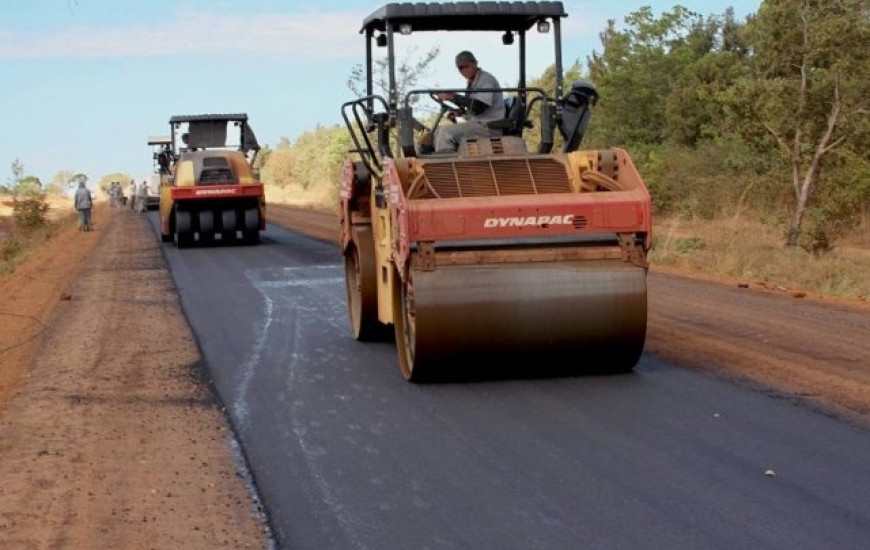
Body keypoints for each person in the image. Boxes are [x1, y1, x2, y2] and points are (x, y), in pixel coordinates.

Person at [432, 50, 504, 153]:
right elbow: (472, 108)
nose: (463, 71)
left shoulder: (486, 79)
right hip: (478, 123)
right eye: (460, 68)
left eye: (466, 66)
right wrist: (460, 113)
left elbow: (479, 106)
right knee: (438, 131)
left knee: (446, 132)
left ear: (475, 63)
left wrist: (452, 97)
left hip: (489, 126)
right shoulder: (472, 82)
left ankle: (447, 166)